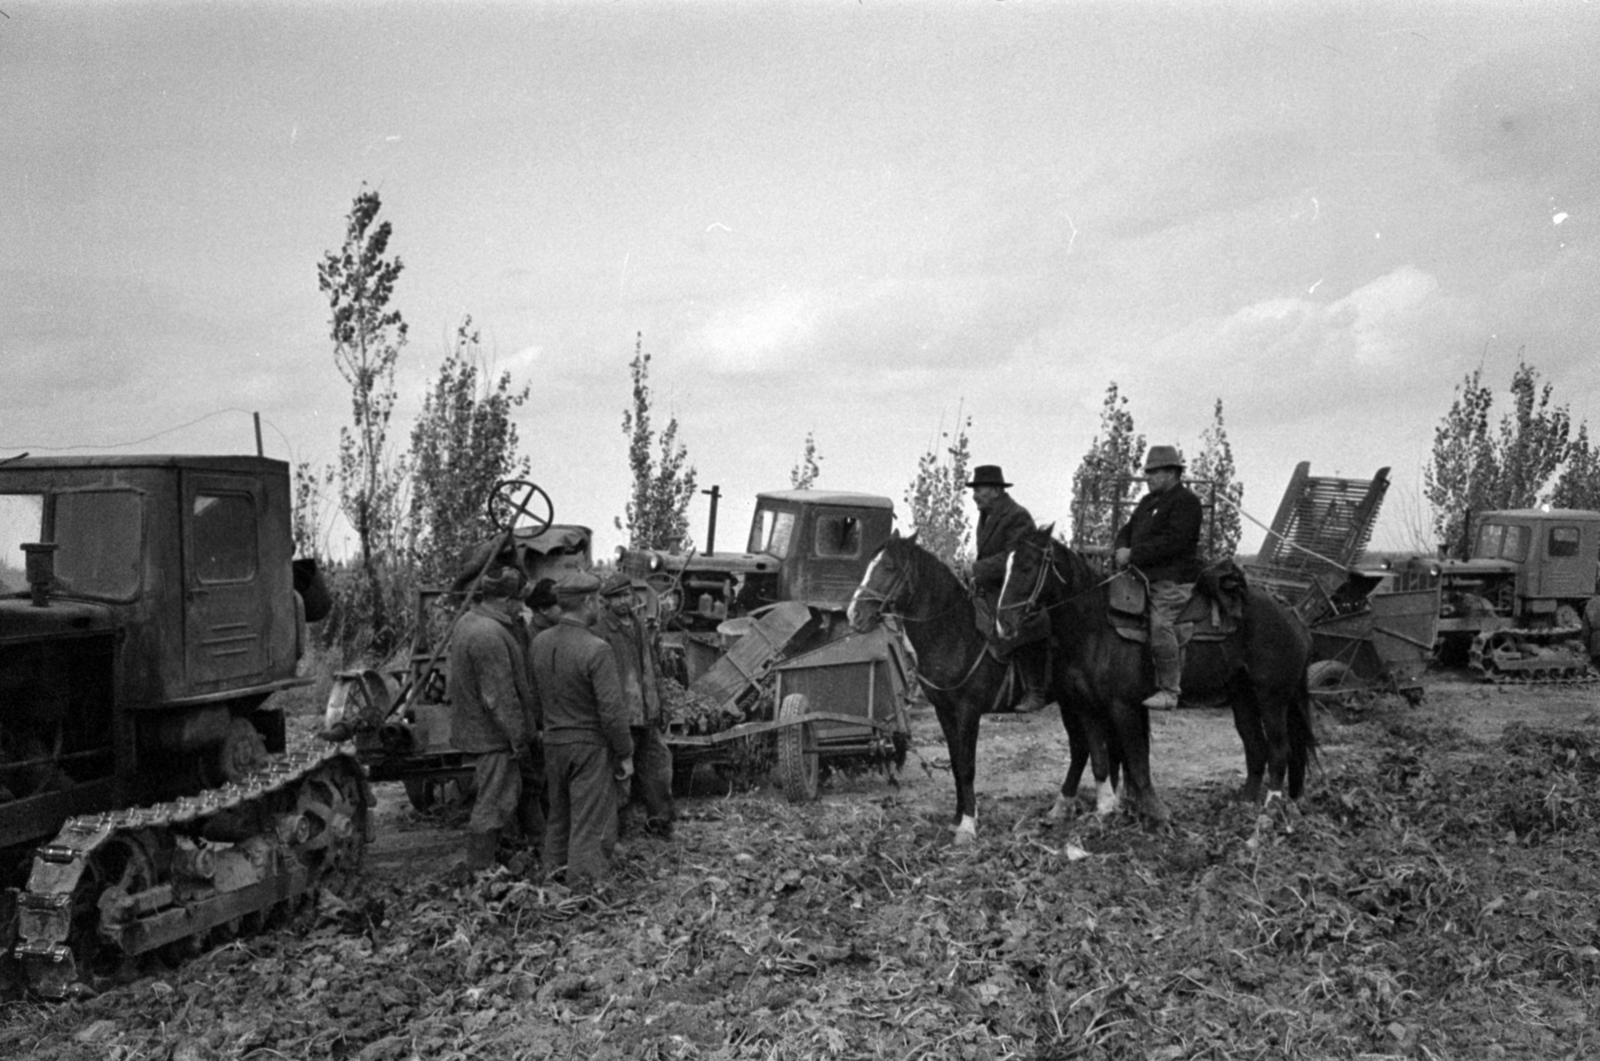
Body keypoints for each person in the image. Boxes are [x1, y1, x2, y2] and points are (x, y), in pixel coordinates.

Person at [528, 572, 635, 886]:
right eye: (597, 601)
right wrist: (625, 753)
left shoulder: (539, 642)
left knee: (559, 817)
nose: (600, 608)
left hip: (553, 743)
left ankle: (551, 880)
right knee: (589, 822)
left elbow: (535, 696)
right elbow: (613, 713)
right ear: (588, 602)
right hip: (588, 747)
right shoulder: (597, 649)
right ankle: (583, 890)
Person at [446, 565, 535, 873]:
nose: (520, 607)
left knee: (495, 797)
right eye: (515, 601)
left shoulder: (469, 622)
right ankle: (480, 871)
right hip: (492, 735)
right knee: (495, 801)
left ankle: (490, 861)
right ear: (501, 600)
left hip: (479, 730)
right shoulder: (488, 634)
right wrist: (518, 738)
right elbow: (498, 697)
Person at [1114, 445, 1204, 710]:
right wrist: (1121, 549)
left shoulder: (1187, 502)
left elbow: (1174, 543)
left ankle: (1169, 690)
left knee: (1159, 622)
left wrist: (1133, 553)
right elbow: (1126, 530)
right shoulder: (1147, 502)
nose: (1148, 477)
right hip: (1141, 577)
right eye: (1147, 471)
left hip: (1172, 580)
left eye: (1153, 471)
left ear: (1171, 472)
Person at [597, 572, 675, 839]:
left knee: (659, 772)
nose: (623, 601)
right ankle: (613, 835)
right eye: (616, 597)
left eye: (626, 595)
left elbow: (653, 667)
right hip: (623, 718)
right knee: (620, 779)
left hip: (648, 714)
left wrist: (662, 704)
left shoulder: (639, 625)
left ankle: (659, 825)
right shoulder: (601, 630)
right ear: (605, 601)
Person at [967, 464, 1050, 713]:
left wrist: (977, 569)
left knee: (1023, 627)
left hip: (1016, 592)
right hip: (990, 588)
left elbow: (1016, 559)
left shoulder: (1017, 516)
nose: (974, 495)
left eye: (979, 489)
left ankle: (1036, 691)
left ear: (994, 490)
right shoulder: (986, 515)